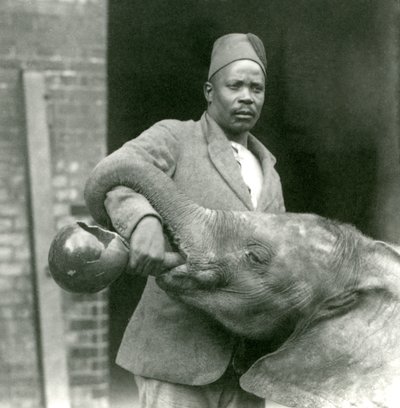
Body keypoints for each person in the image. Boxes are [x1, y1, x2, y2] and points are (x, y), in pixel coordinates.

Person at [87, 33, 285, 408]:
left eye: (256, 88)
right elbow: (116, 175)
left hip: (246, 366)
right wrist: (143, 220)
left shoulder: (269, 170)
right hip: (177, 358)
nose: (247, 96)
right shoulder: (176, 138)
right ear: (210, 92)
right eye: (235, 85)